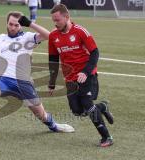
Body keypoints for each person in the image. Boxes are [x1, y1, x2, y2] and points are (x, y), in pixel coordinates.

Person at [0, 11, 75, 136]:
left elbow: (50, 36)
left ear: (21, 25)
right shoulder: (0, 38)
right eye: (11, 24)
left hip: (23, 82)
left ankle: (54, 126)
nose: (13, 27)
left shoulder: (28, 37)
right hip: (2, 79)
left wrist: (30, 24)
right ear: (7, 23)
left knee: (41, 114)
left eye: (17, 25)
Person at [47, 4, 114, 147]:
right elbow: (53, 60)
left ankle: (106, 137)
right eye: (53, 20)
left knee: (88, 106)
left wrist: (85, 72)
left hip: (87, 75)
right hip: (70, 79)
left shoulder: (80, 31)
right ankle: (102, 107)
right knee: (78, 111)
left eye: (58, 20)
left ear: (67, 17)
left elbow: (95, 53)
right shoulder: (53, 36)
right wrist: (52, 81)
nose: (55, 23)